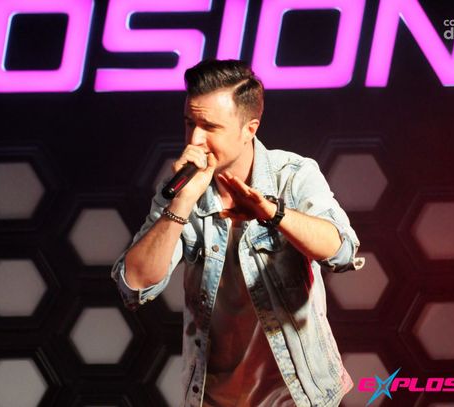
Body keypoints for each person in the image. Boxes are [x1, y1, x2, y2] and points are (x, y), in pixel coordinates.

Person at [112, 59, 364, 407]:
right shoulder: (180, 188)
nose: (195, 140)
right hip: (212, 398)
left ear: (250, 128)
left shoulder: (293, 175)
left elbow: (341, 250)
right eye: (189, 123)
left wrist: (273, 214)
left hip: (297, 395)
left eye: (209, 127)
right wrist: (182, 203)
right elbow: (135, 285)